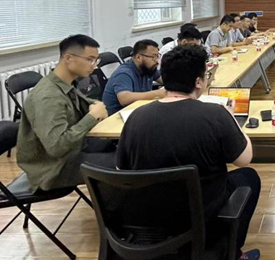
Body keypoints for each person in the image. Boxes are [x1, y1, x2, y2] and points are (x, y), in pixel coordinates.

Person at [116, 44, 261, 260]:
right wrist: (232, 118)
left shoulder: (136, 116)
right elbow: (244, 159)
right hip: (202, 219)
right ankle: (231, 251)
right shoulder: (216, 114)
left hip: (149, 222)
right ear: (198, 82)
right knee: (248, 177)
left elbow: (122, 169)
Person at [17, 35, 115, 191]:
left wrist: (95, 106)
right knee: (125, 161)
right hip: (54, 170)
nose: (94, 66)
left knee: (127, 145)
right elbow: (57, 147)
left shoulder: (64, 83)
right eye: (90, 60)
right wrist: (92, 117)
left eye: (96, 60)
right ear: (68, 58)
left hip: (74, 151)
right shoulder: (48, 96)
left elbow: (80, 104)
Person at [103, 40, 165, 115]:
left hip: (138, 110)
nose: (157, 61)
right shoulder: (124, 73)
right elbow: (124, 99)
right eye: (153, 57)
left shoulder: (148, 68)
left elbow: (164, 80)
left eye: (157, 56)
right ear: (139, 57)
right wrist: (157, 93)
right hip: (119, 116)